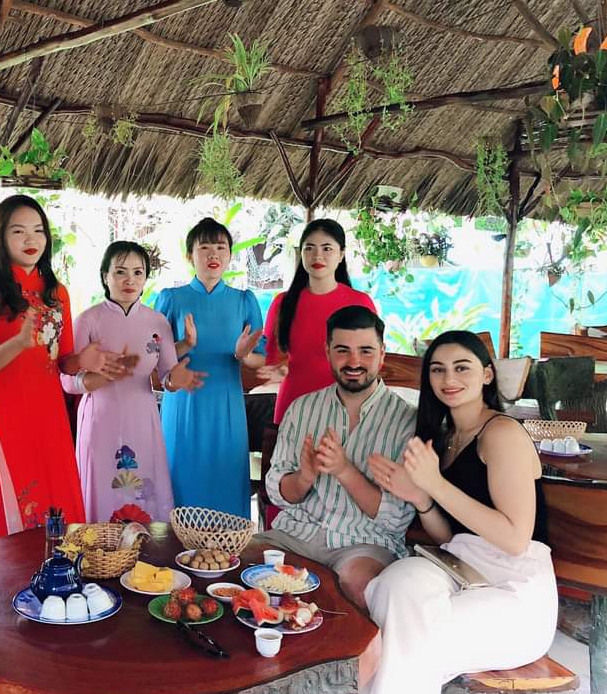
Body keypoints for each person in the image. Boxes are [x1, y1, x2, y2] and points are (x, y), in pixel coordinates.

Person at [320, 330, 556, 694]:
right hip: (459, 570)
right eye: (438, 370)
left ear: (486, 375)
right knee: (399, 580)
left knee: (396, 638)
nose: (449, 379)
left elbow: (515, 539)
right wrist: (421, 498)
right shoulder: (445, 440)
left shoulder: (502, 434)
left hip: (514, 592)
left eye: (462, 368)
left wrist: (435, 485)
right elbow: (452, 538)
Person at [0, 195, 122, 540]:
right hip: (3, 413)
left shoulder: (56, 292)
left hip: (49, 413)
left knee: (57, 507)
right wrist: (18, 343)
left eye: (38, 230)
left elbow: (64, 361)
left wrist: (84, 360)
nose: (31, 239)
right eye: (18, 231)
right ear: (1, 236)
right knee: (11, 513)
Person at [262, 306, 416, 608]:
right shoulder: (302, 409)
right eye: (343, 350)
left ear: (382, 354)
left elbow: (396, 518)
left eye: (366, 351)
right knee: (242, 562)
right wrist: (304, 478)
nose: (354, 362)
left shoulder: (406, 421)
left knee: (358, 586)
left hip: (365, 543)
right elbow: (277, 493)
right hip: (295, 534)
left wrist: (344, 470)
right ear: (328, 352)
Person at [63, 241, 205, 522]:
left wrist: (177, 380)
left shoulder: (158, 323)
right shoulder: (87, 321)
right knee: (101, 495)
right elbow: (67, 382)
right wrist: (101, 376)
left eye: (138, 272)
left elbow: (167, 376)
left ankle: (146, 546)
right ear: (105, 276)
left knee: (144, 492)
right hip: (100, 421)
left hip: (143, 418)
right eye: (120, 272)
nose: (130, 280)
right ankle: (99, 548)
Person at [155, 217, 265, 519]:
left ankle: (228, 545)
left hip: (226, 405)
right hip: (183, 405)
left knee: (225, 479)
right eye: (204, 247)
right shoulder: (171, 299)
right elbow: (153, 355)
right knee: (180, 479)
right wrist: (185, 344)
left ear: (230, 255)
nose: (213, 254)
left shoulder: (244, 301)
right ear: (189, 255)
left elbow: (260, 358)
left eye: (220, 247)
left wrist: (243, 355)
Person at [263, 218, 376, 424]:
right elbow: (268, 358)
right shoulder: (283, 303)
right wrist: (271, 368)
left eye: (327, 248)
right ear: (301, 254)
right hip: (293, 405)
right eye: (309, 248)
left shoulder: (360, 302)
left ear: (341, 254)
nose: (317, 256)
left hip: (345, 407)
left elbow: (372, 359)